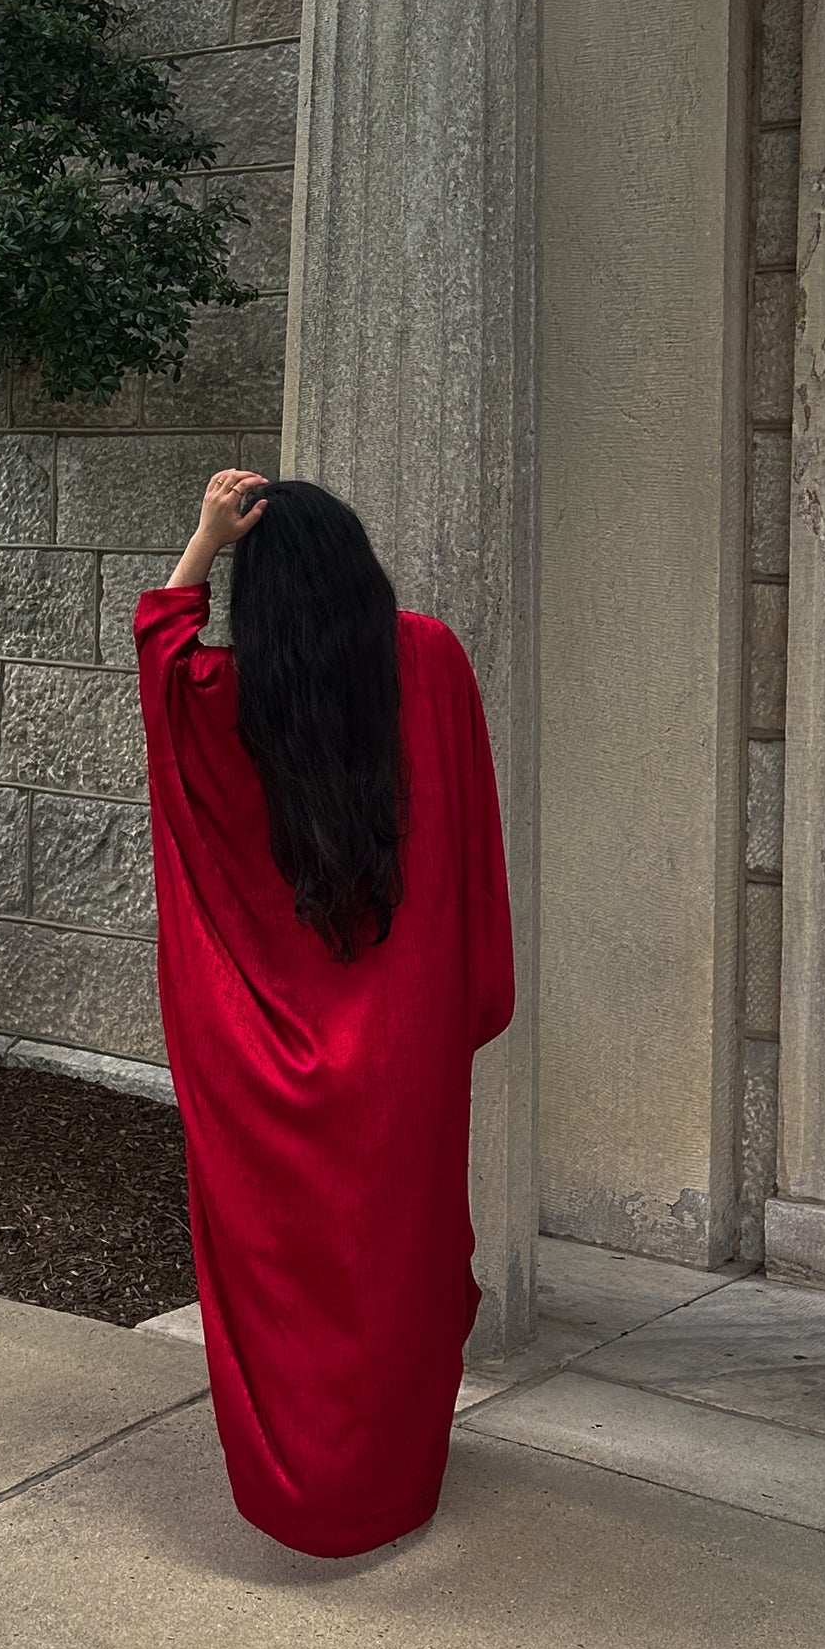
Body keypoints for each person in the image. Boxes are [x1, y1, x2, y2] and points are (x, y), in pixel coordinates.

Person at [134, 468, 514, 1560]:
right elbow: (471, 838)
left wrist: (205, 540)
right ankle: (392, 1484)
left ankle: (303, 1494)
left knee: (280, 1275)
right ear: (358, 569)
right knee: (396, 1263)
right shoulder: (429, 662)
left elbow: (159, 648)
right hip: (403, 1042)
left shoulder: (219, 697)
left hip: (258, 1046)